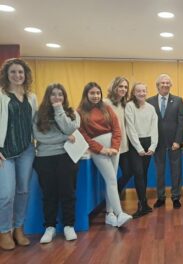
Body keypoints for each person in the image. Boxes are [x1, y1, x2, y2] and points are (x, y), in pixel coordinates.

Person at [78, 82, 132, 227]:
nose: (95, 96)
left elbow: (117, 128)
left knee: (112, 180)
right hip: (99, 150)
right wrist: (101, 149)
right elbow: (83, 135)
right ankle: (119, 213)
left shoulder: (106, 108)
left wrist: (114, 147)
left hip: (114, 149)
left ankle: (110, 214)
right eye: (92, 93)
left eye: (98, 93)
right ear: (86, 94)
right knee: (112, 180)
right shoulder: (80, 112)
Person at [33, 83, 80, 243]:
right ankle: (50, 227)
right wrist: (63, 138)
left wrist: (59, 110)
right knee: (49, 194)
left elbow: (70, 129)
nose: (57, 97)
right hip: (44, 159)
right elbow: (39, 137)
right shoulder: (39, 114)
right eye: (53, 94)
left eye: (60, 94)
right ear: (48, 96)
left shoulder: (72, 113)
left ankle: (69, 226)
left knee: (68, 193)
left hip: (66, 157)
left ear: (64, 97)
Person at [0, 58, 37, 250]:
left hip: (26, 150)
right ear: (6, 74)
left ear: (26, 75)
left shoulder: (32, 96)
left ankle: (18, 228)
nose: (17, 75)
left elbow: (36, 124)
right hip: (4, 152)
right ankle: (4, 231)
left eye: (20, 72)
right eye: (13, 72)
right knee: (6, 194)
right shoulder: (1, 95)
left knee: (23, 191)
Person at [146, 74, 183, 209]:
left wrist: (178, 141)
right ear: (158, 85)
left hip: (174, 143)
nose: (165, 85)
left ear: (170, 85)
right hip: (157, 143)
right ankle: (160, 197)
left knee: (176, 171)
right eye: (162, 83)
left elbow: (181, 122)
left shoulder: (178, 100)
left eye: (168, 83)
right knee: (159, 172)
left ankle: (176, 197)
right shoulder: (149, 101)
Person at [125, 82, 158, 218]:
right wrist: (138, 147)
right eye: (138, 91)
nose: (141, 93)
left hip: (148, 142)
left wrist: (152, 146)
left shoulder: (151, 108)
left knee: (144, 173)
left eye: (144, 91)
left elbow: (154, 127)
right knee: (138, 173)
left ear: (146, 92)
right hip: (135, 144)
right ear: (133, 92)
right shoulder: (130, 106)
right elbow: (130, 128)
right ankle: (142, 204)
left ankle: (144, 204)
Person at [104, 77, 131, 194]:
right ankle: (109, 203)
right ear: (114, 87)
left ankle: (114, 194)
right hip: (111, 146)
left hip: (124, 146)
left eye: (125, 87)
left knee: (129, 172)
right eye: (120, 86)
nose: (123, 89)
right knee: (111, 176)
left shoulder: (126, 104)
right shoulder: (105, 103)